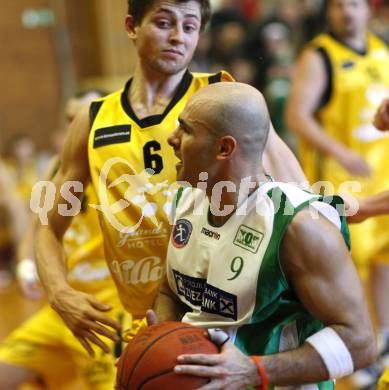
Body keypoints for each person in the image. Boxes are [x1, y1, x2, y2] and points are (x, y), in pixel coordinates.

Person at [35, 0, 310, 360]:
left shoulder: (223, 96)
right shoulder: (93, 120)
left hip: (227, 318)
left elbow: (300, 198)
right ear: (132, 26)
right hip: (146, 322)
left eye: (190, 26)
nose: (178, 37)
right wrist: (59, 293)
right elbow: (48, 227)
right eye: (164, 23)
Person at [153, 81, 376, 390]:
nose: (171, 139)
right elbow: (171, 292)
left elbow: (360, 344)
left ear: (224, 148)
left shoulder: (300, 227)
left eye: (186, 130)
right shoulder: (187, 200)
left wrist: (253, 370)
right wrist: (161, 342)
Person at [285, 1, 389, 386]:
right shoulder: (318, 56)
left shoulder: (382, 49)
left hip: (382, 179)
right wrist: (340, 151)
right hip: (342, 184)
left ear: (368, 10)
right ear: (329, 12)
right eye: (340, 5)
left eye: (356, 4)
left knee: (384, 263)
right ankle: (355, 355)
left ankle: (381, 342)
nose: (348, 12)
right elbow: (297, 117)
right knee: (348, 273)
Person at [0, 91, 128, 390]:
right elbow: (35, 224)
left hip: (104, 314)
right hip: (60, 309)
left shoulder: (120, 165)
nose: (78, 126)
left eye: (84, 118)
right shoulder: (58, 168)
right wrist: (26, 267)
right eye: (71, 120)